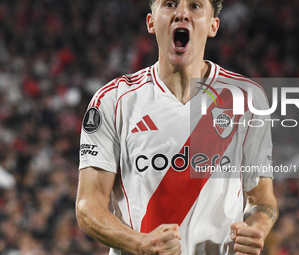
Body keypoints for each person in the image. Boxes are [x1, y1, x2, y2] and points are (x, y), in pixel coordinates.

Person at [76, 0, 278, 254]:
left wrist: (258, 227)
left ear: (213, 26)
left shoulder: (248, 99)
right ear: (151, 21)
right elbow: (88, 204)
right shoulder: (113, 100)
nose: (181, 13)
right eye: (170, 4)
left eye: (194, 6)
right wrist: (138, 243)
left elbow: (261, 198)